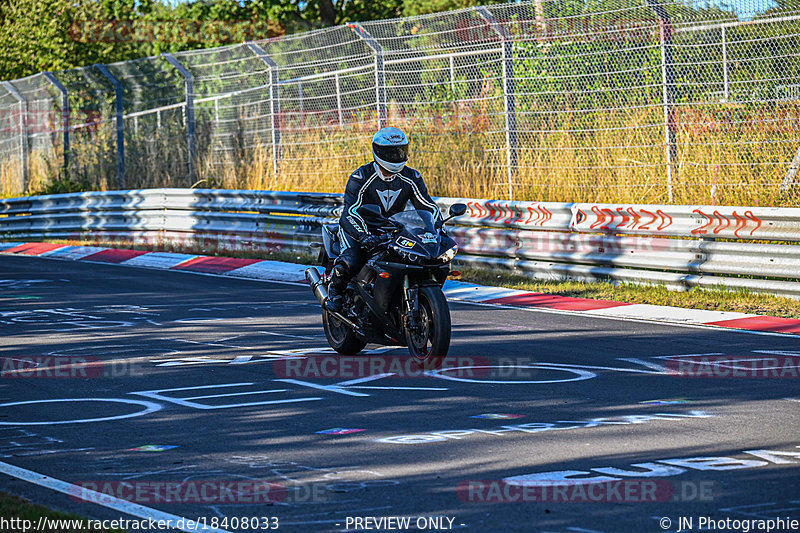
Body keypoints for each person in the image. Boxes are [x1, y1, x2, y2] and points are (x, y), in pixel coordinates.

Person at [325, 126, 441, 314]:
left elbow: (427, 206)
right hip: (359, 228)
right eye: (390, 152)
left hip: (393, 229)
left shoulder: (412, 176)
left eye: (400, 151)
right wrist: (363, 236)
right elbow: (350, 212)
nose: (396, 156)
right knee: (352, 260)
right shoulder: (361, 176)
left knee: (423, 259)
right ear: (377, 151)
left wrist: (436, 228)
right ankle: (335, 292)